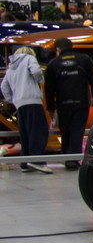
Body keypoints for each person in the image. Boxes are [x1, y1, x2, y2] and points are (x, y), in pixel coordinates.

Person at [43, 37, 93, 168]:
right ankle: (73, 159)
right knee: (77, 130)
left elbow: (49, 87)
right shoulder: (84, 59)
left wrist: (51, 107)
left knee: (65, 130)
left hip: (63, 103)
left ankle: (67, 156)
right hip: (81, 102)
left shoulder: (53, 63)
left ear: (58, 49)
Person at [2, 44, 49, 172]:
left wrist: (12, 100)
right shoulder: (29, 59)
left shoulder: (11, 67)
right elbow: (36, 72)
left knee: (25, 134)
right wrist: (40, 80)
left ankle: (25, 162)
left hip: (19, 103)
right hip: (32, 100)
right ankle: (37, 161)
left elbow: (4, 86)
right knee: (38, 131)